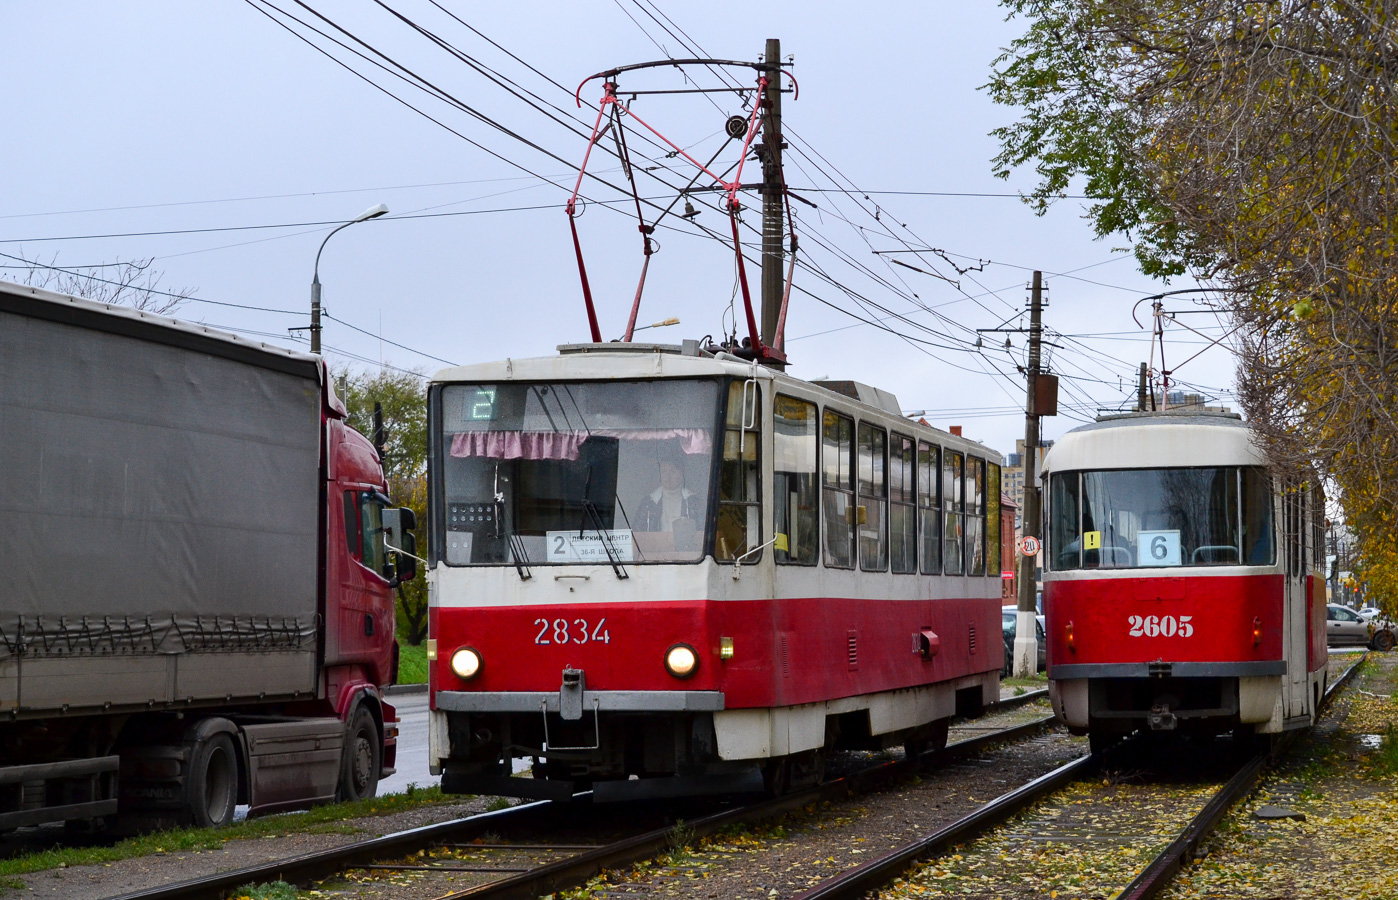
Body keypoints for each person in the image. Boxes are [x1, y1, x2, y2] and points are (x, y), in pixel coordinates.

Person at [636, 456, 698, 532]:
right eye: (664, 472)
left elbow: (700, 533)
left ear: (681, 474)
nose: (667, 476)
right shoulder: (648, 503)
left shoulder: (693, 501)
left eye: (672, 471)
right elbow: (637, 533)